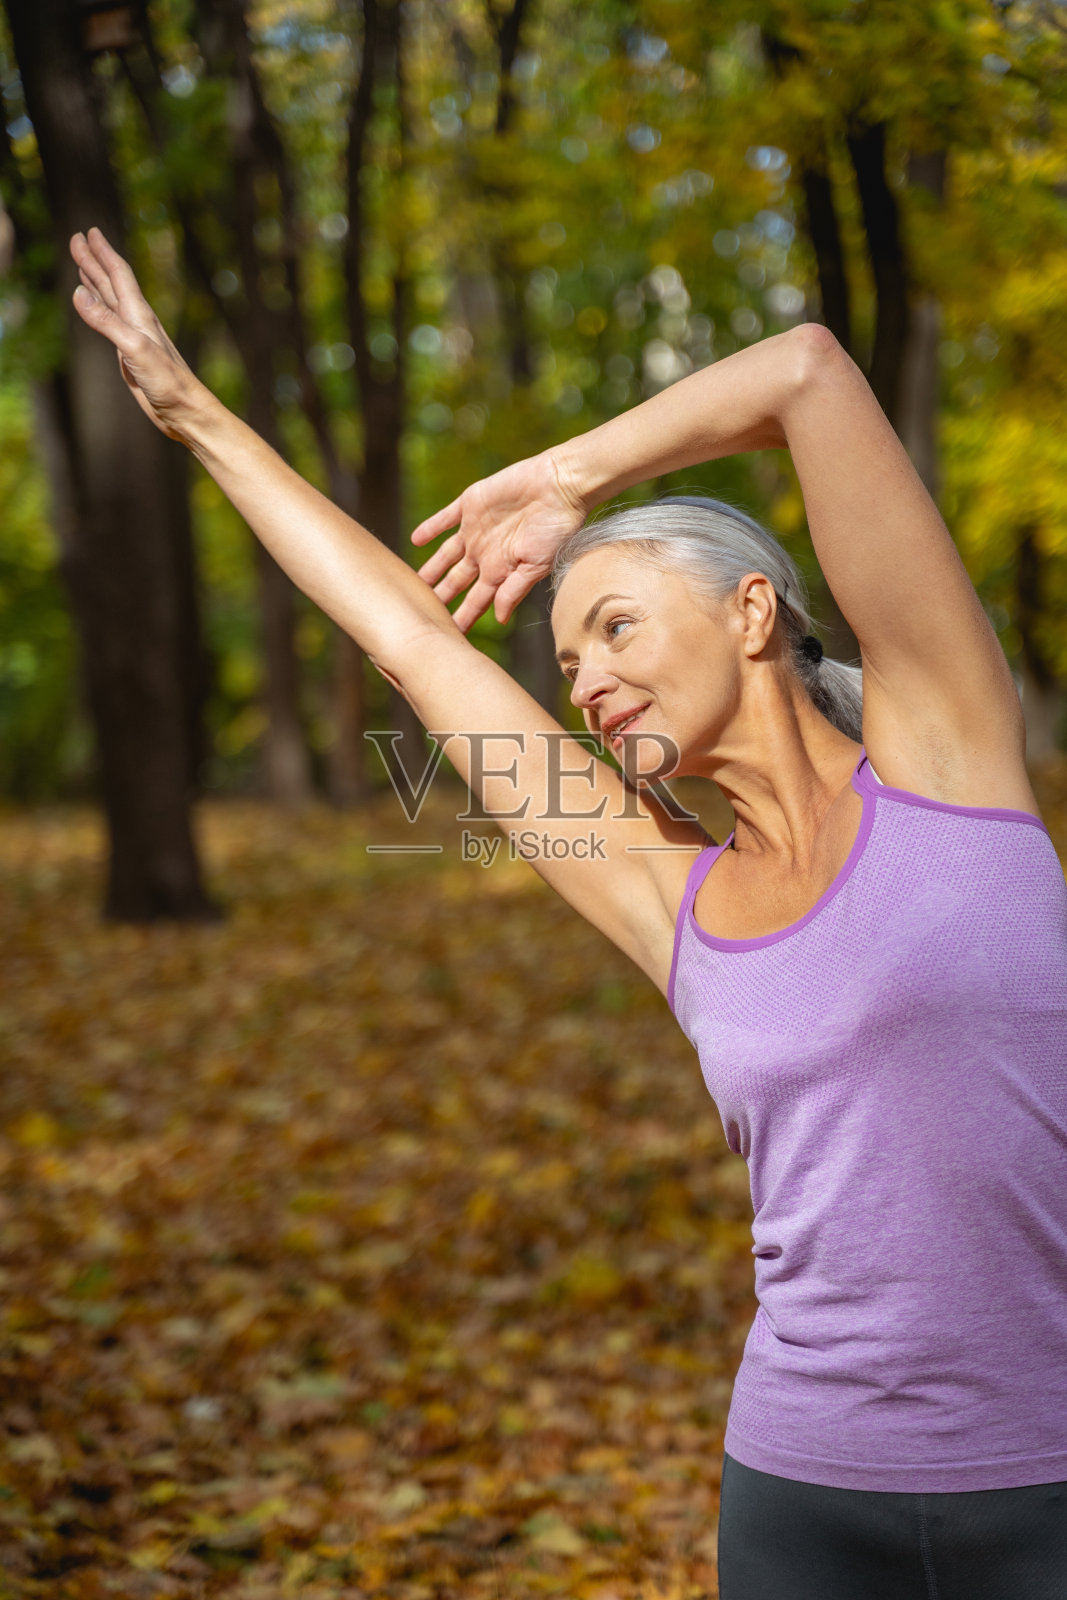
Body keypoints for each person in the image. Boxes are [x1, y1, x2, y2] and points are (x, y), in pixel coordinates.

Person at [70, 227, 1067, 1598]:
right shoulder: (675, 895)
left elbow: (807, 375)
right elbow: (411, 641)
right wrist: (195, 416)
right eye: (565, 655)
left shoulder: (950, 763)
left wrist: (565, 482)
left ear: (754, 612)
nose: (584, 683)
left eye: (616, 627)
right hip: (802, 1488)